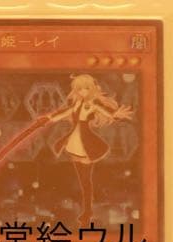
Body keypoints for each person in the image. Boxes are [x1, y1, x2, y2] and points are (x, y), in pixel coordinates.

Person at [43, 75, 134, 226]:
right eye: (79, 89)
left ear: (91, 89)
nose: (82, 91)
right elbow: (65, 113)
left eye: (86, 88)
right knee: (83, 180)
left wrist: (115, 115)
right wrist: (49, 119)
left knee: (86, 181)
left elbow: (104, 111)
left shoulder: (90, 104)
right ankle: (87, 210)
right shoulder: (77, 103)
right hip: (75, 142)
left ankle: (87, 211)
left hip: (85, 142)